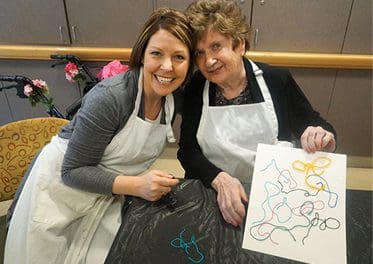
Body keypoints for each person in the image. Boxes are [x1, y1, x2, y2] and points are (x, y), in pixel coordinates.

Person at [5, 7, 194, 264]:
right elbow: (72, 171)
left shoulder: (171, 100)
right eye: (157, 54)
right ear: (141, 55)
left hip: (103, 194)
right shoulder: (111, 98)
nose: (167, 66)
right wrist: (137, 185)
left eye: (179, 57)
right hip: (60, 192)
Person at [178, 0, 336, 228]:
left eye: (216, 47)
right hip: (212, 188)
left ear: (239, 45)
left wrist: (323, 137)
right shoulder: (196, 86)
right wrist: (220, 179)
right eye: (199, 53)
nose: (208, 61)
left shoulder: (275, 79)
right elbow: (188, 151)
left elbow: (315, 124)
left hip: (271, 195)